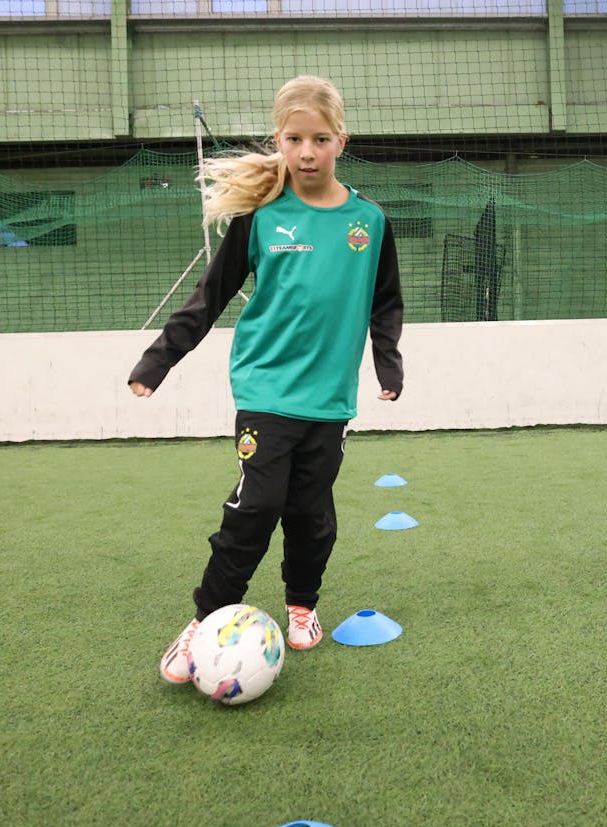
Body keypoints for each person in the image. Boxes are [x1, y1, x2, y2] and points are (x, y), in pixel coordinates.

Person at [128, 75, 404, 684]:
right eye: (294, 139)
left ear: (341, 141)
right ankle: (203, 623)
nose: (307, 153)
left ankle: (302, 605)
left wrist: (388, 362)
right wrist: (158, 360)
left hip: (329, 401)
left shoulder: (370, 221)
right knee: (257, 506)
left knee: (311, 513)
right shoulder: (260, 218)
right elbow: (211, 295)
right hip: (265, 391)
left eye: (320, 139)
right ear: (279, 141)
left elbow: (385, 301)